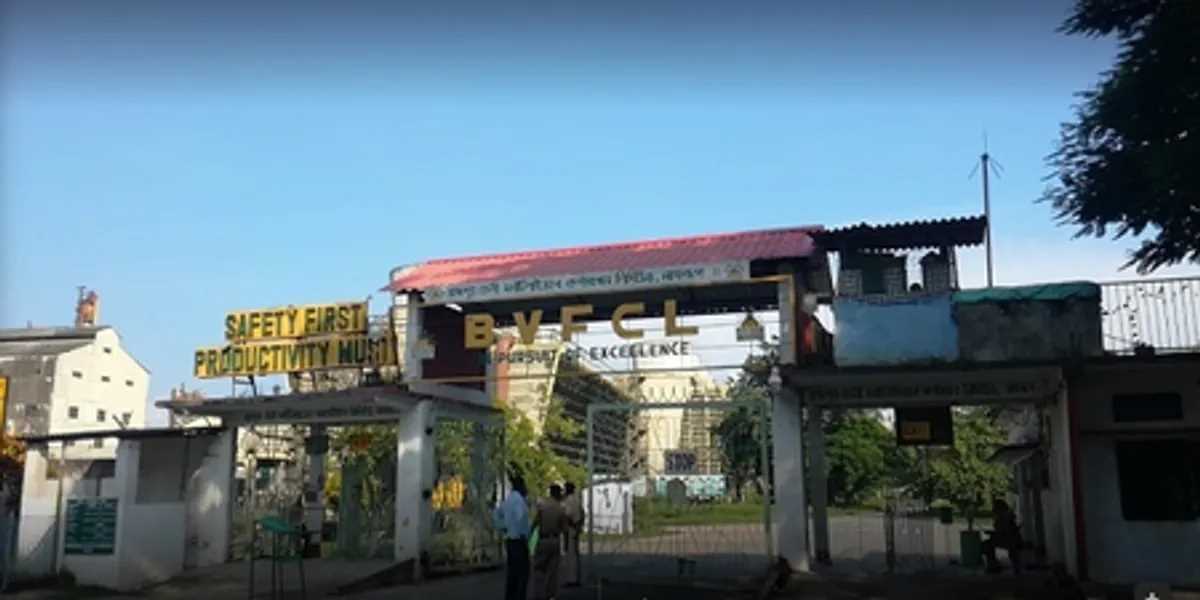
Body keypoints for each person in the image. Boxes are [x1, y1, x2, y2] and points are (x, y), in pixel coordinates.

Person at [494, 475, 531, 600]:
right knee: (522, 574)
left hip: (510, 539)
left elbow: (496, 514)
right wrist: (522, 532)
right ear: (520, 486)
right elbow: (521, 519)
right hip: (519, 540)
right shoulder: (520, 501)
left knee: (512, 574)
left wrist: (503, 527)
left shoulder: (508, 500)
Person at [533, 484, 570, 600]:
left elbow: (535, 523)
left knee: (539, 568)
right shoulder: (560, 509)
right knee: (552, 571)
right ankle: (550, 596)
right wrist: (566, 545)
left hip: (543, 540)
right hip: (554, 540)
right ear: (558, 494)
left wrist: (528, 537)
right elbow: (565, 530)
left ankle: (539, 594)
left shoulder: (542, 507)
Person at [983, 498, 1022, 574]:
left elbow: (1003, 531)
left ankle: (993, 565)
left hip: (1009, 540)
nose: (993, 509)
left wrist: (992, 533)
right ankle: (993, 564)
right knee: (989, 543)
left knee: (986, 545)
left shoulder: (1003, 517)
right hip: (1011, 539)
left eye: (994, 507)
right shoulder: (1005, 516)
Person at [561, 482, 584, 588]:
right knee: (574, 554)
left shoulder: (569, 501)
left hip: (571, 528)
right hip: (576, 527)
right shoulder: (577, 500)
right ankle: (575, 577)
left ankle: (572, 579)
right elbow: (582, 513)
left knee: (571, 555)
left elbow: (567, 514)